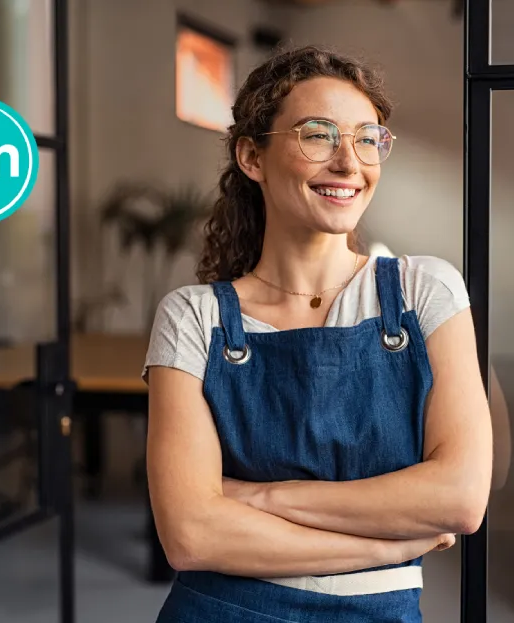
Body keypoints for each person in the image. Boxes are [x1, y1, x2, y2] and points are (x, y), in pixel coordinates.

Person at [142, 44, 493, 623]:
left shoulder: (425, 291)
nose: (349, 163)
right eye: (319, 135)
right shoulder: (192, 316)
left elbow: (458, 497)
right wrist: (391, 547)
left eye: (367, 138)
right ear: (252, 156)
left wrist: (256, 496)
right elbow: (191, 536)